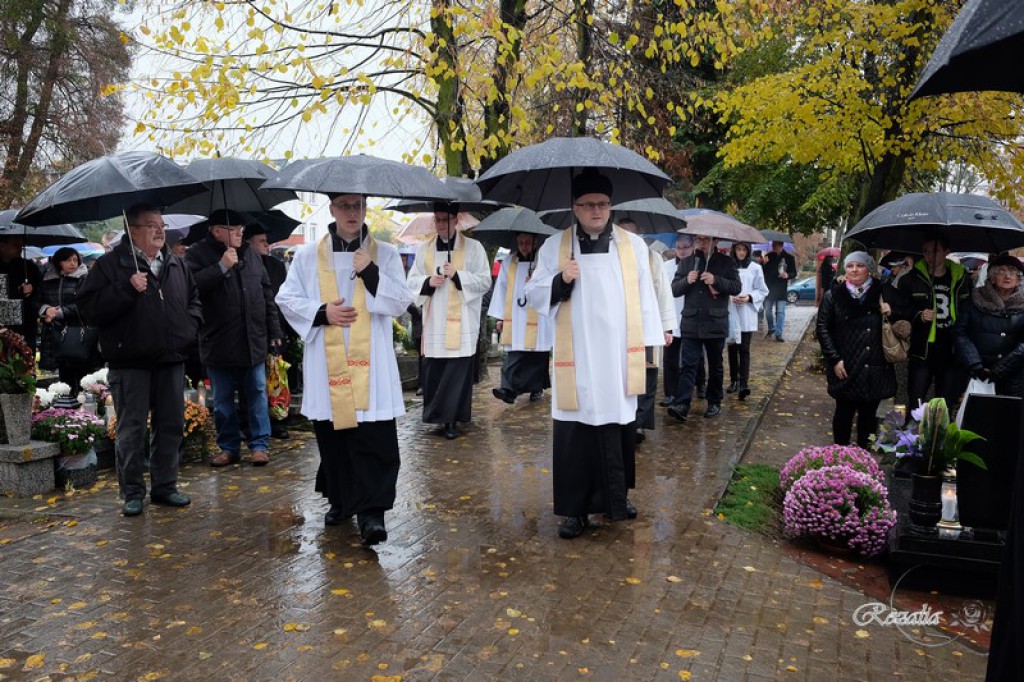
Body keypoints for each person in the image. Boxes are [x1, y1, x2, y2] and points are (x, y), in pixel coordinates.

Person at [524, 170, 664, 539]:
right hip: (579, 354)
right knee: (576, 431)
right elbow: (535, 293)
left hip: (619, 352)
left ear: (611, 205)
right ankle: (575, 510)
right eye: (588, 205)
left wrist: (649, 345)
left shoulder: (633, 247)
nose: (597, 211)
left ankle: (615, 497)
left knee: (618, 427)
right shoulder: (554, 247)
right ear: (575, 208)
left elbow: (645, 296)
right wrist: (561, 280)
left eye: (603, 204)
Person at [276, 193, 413, 545]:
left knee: (374, 437)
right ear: (332, 209)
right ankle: (341, 500)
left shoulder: (386, 253)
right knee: (334, 436)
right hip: (328, 357)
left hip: (374, 364)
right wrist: (323, 313)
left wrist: (369, 271)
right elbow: (286, 299)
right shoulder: (308, 255)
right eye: (345, 205)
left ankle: (372, 514)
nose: (352, 212)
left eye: (359, 205)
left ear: (366, 208)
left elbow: (400, 303)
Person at [76, 203, 202, 516]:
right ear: (132, 232)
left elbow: (195, 301)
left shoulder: (175, 263)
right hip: (130, 362)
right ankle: (132, 492)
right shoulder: (109, 266)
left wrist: (188, 328)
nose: (160, 230)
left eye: (161, 224)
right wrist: (125, 289)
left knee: (170, 426)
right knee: (132, 430)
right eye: (150, 225)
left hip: (171, 359)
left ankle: (165, 486)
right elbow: (88, 310)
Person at [185, 209, 282, 467]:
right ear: (217, 231)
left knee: (258, 393)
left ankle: (260, 445)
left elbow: (265, 294)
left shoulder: (250, 253)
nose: (240, 232)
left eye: (241, 228)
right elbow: (190, 288)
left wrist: (274, 331)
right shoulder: (197, 254)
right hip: (219, 342)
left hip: (253, 340)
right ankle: (228, 447)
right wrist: (221, 267)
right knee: (223, 401)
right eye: (234, 228)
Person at [406, 206, 491, 440]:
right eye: (438, 220)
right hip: (434, 323)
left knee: (456, 373)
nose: (441, 224)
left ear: (457, 220)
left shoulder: (474, 248)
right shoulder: (424, 249)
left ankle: (452, 420)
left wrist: (458, 275)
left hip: (462, 323)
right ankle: (438, 416)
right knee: (436, 372)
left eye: (446, 220)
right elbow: (411, 281)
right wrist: (427, 282)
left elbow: (484, 281)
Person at [816, 251, 896, 448]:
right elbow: (823, 328)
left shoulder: (883, 292)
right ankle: (840, 461)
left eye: (859, 265)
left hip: (874, 365)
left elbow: (903, 319)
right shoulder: (833, 295)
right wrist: (834, 359)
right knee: (843, 413)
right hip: (845, 365)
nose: (854, 269)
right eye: (850, 265)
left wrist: (892, 312)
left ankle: (863, 463)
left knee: (868, 419)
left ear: (869, 269)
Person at [666, 233, 742, 423]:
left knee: (715, 364)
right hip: (691, 322)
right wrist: (687, 280)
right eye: (699, 240)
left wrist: (716, 280)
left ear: (715, 241)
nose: (702, 243)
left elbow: (736, 287)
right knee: (688, 365)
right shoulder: (686, 262)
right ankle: (682, 403)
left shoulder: (726, 262)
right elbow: (674, 289)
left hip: (715, 322)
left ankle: (714, 401)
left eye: (706, 240)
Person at [894, 233, 970, 413]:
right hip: (923, 350)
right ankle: (912, 439)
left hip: (951, 350)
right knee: (916, 402)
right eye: (925, 252)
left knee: (944, 405)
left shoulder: (961, 278)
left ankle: (939, 440)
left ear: (946, 252)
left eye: (935, 251)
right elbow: (900, 310)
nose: (930, 256)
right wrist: (919, 315)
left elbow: (968, 309)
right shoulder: (910, 279)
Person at [618, 218, 675, 443]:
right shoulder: (610, 256)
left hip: (646, 326)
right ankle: (623, 419)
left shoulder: (653, 257)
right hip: (620, 327)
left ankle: (640, 424)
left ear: (640, 234)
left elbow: (663, 291)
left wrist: (667, 326)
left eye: (633, 233)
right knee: (623, 375)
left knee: (647, 374)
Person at [487, 231, 553, 405]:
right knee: (514, 353)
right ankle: (508, 390)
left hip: (538, 315)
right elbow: (501, 288)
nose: (524, 246)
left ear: (536, 242)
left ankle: (536, 388)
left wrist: (537, 280)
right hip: (515, 314)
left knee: (537, 354)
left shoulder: (544, 261)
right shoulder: (509, 262)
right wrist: (500, 317)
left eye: (528, 242)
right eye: (521, 242)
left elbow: (553, 283)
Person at [246, 222, 294, 439]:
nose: (267, 245)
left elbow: (283, 300)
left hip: (275, 330)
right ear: (249, 244)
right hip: (253, 332)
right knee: (255, 384)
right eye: (262, 242)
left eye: (267, 241)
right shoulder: (242, 264)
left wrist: (284, 332)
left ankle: (279, 420)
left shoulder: (275, 266)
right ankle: (253, 424)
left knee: (277, 379)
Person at [953, 255, 1024, 398]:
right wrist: (975, 364)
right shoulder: (974, 300)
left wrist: (1000, 368)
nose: (1007, 275)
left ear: (1018, 279)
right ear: (991, 277)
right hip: (977, 371)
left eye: (1012, 271)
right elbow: (960, 332)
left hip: (1013, 374)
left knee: (1010, 415)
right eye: (1001, 271)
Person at [37, 247, 99, 392]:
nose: (72, 263)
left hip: (79, 331)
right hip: (55, 332)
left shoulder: (84, 278)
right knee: (64, 375)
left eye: (75, 260)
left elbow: (85, 304)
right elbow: (37, 301)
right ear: (59, 262)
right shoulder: (47, 279)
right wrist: (46, 310)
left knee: (84, 375)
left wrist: (59, 312)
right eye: (68, 260)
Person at [726, 242, 769, 401]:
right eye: (738, 249)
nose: (741, 252)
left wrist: (749, 297)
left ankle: (744, 384)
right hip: (732, 310)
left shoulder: (755, 267)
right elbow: (724, 285)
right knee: (732, 347)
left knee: (744, 348)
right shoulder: (728, 266)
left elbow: (762, 289)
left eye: (744, 249)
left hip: (747, 312)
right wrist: (729, 296)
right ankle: (733, 381)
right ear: (734, 250)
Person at [0, 234, 42, 352]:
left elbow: (41, 290)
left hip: (24, 324)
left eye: (21, 245)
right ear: (2, 245)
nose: (19, 249)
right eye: (15, 245)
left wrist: (32, 289)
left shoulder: (29, 267)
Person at [762, 240, 797, 341]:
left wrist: (787, 275)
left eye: (775, 245)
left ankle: (779, 333)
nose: (773, 246)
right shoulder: (768, 256)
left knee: (780, 311)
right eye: (773, 244)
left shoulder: (789, 258)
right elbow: (762, 273)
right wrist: (763, 264)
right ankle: (771, 328)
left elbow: (794, 273)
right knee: (768, 311)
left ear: (781, 245)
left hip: (781, 288)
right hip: (769, 288)